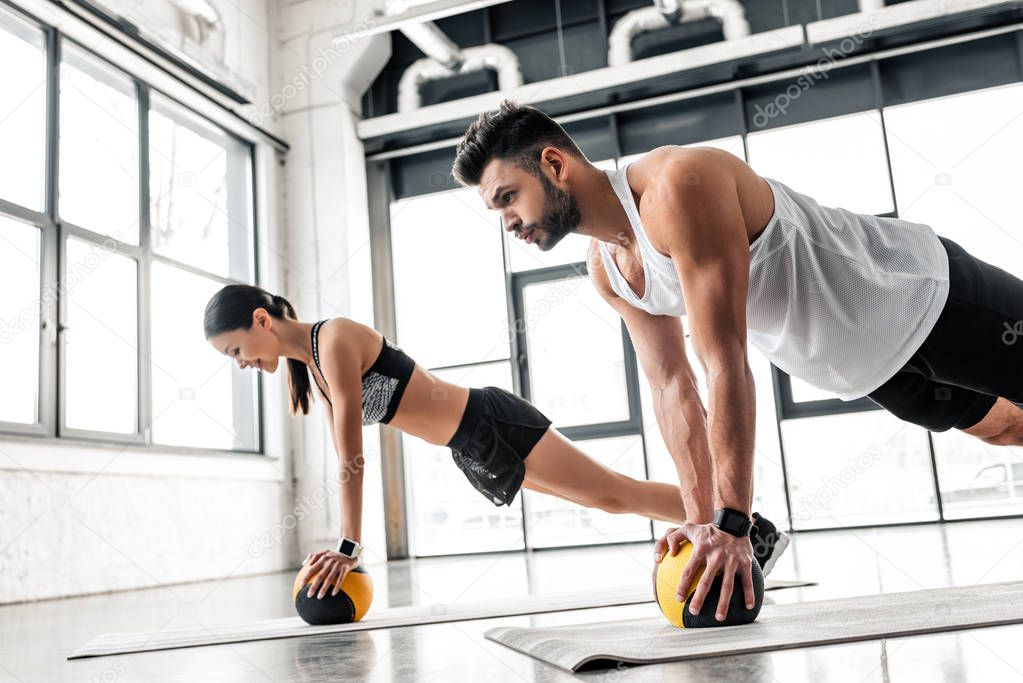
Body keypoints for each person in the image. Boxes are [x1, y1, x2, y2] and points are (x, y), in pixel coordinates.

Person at [451, 100, 1023, 623]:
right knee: (1005, 428)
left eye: (508, 197)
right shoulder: (610, 269)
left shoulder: (679, 185)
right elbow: (673, 388)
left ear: (553, 165)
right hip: (869, 365)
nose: (508, 222)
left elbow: (722, 361)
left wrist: (732, 523)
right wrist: (701, 521)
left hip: (921, 293)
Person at [203, 285, 788, 601]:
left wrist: (349, 547)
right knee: (604, 497)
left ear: (260, 320)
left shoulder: (333, 342)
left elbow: (351, 459)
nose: (241, 364)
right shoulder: (313, 370)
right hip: (471, 445)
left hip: (490, 421)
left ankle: (746, 527)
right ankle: (739, 526)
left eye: (234, 351)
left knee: (612, 492)